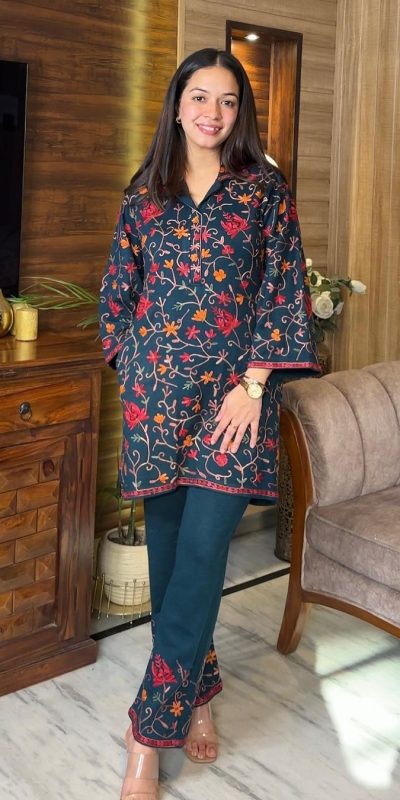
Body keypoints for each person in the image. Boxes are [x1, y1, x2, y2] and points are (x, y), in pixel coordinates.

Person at [99, 47, 320, 800]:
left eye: (228, 101)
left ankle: (145, 731)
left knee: (200, 555)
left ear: (240, 113)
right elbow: (117, 292)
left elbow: (284, 290)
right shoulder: (144, 193)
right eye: (200, 97)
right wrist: (133, 364)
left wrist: (254, 385)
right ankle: (200, 692)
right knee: (170, 563)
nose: (213, 113)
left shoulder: (263, 190)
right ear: (177, 104)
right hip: (157, 407)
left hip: (234, 408)